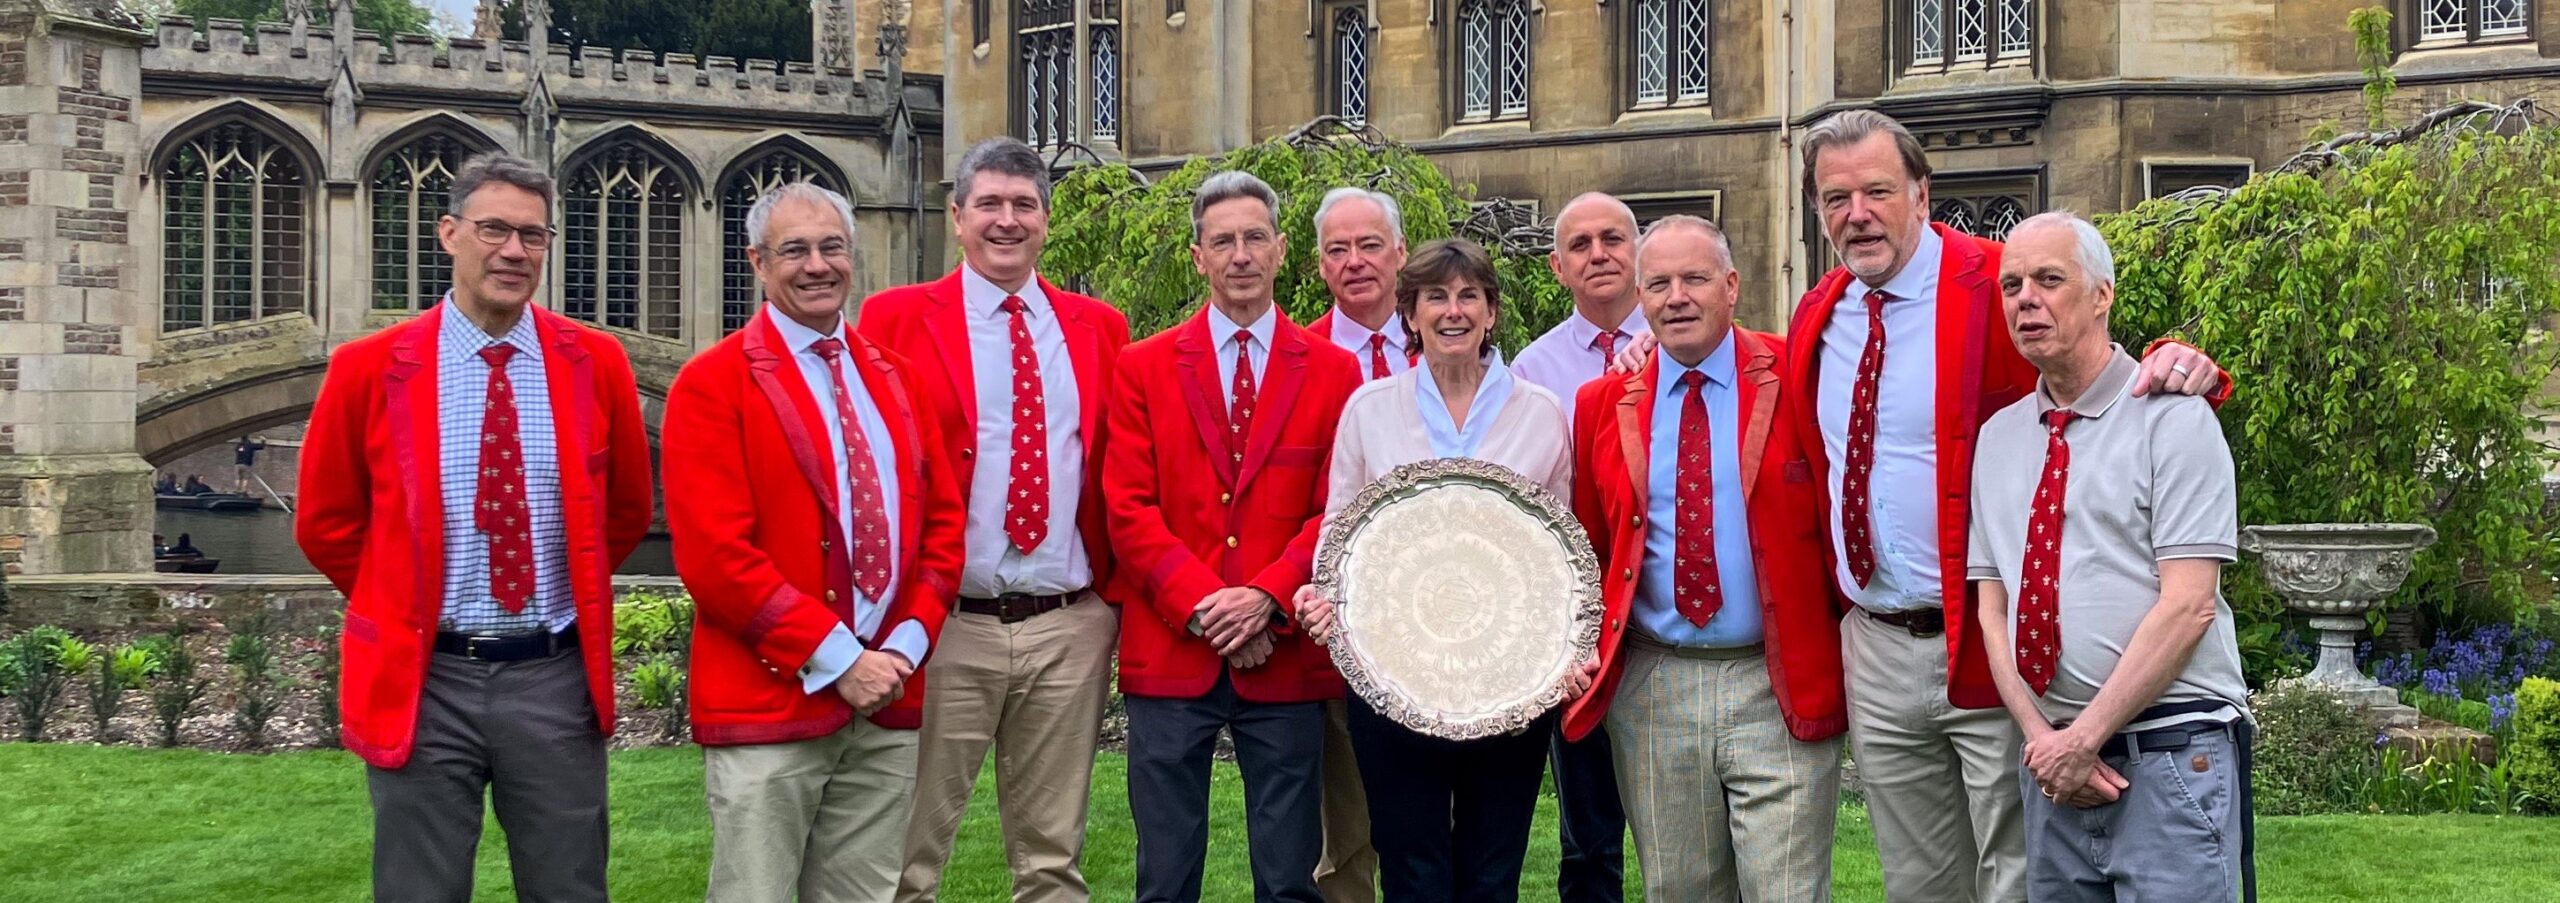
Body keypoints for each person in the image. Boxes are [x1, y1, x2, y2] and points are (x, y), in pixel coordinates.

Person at [1783, 110, 2227, 902]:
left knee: (2019, 874)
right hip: (1876, 643)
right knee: (1919, 883)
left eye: (1878, 191)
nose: (1857, 214)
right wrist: (1633, 342)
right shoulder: (1820, 313)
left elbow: (2086, 346)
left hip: (1988, 635)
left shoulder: (1997, 281)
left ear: (1922, 194)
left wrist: (2182, 362)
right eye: (1835, 198)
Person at [295, 150, 654, 903]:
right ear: (449, 232)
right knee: (418, 890)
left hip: (552, 676)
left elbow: (624, 510)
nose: (514, 251)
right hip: (424, 677)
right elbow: (326, 522)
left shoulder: (597, 362)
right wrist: (401, 599)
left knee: (569, 888)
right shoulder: (367, 368)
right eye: (495, 229)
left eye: (533, 235)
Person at [662, 181, 966, 903]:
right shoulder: (712, 383)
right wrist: (840, 659)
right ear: (758, 262)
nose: (817, 265)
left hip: (887, 700)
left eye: (832, 246)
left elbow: (942, 528)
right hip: (770, 705)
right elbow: (716, 558)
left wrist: (903, 649)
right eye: (794, 250)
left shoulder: (898, 379)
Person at [856, 136, 1132, 903]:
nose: (1006, 220)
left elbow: (1118, 467)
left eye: (1023, 204)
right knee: (904, 858)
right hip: (945, 624)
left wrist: (1110, 605)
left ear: (1046, 219)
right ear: (957, 216)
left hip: (1066, 623)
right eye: (989, 204)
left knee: (1051, 862)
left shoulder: (1100, 328)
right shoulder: (894, 318)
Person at [1292, 237, 1595, 903]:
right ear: (1410, 312)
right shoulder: (1371, 408)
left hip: (1509, 681)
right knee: (1413, 871)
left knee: (1492, 872)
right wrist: (1323, 595)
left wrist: (1573, 645)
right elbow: (1341, 526)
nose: (1453, 311)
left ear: (1492, 312)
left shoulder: (1540, 412)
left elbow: (1563, 547)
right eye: (1435, 297)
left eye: (1469, 296)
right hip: (1394, 676)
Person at [1561, 216, 1849, 902]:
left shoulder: (1796, 375)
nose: (1677, 297)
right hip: (1655, 682)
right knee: (1679, 888)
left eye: (1694, 278)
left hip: (1775, 678)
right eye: (1658, 283)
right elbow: (1588, 547)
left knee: (1787, 890)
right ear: (1639, 296)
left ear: (1731, 285)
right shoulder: (1601, 402)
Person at [1968, 213, 2252, 902]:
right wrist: (2045, 742)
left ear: (2102, 294)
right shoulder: (1998, 438)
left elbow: (2189, 606)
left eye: (2049, 279)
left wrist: (2083, 740)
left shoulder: (2174, 418)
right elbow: (1992, 609)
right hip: (2052, 763)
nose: (2026, 299)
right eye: (2011, 285)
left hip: (2170, 750)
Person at [1103, 170, 1362, 903]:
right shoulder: (1142, 366)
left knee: (1288, 882)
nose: (1240, 255)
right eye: (1223, 242)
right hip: (1172, 650)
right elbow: (1128, 507)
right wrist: (1208, 608)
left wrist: (1265, 599)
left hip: (1284, 654)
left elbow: (1337, 509)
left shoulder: (1334, 371)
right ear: (1198, 257)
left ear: (1281, 250)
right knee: (1164, 880)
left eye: (1254, 238)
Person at [1507, 191, 1647, 901]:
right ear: (1557, 267)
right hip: (1581, 625)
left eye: (1613, 239)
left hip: (1669, 618)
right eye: (1580, 245)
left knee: (1696, 828)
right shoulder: (1531, 373)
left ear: (1638, 251)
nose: (1599, 254)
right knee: (1589, 835)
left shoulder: (1692, 337)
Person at [1302, 185, 1407, 902]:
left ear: (1399, 252)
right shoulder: (1298, 356)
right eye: (1337, 250)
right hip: (1340, 622)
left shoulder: (1450, 342)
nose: (1355, 261)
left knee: (1433, 826)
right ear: (1319, 265)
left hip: (1434, 613)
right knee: (1344, 830)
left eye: (1370, 245)